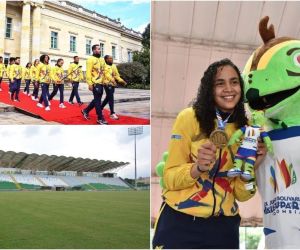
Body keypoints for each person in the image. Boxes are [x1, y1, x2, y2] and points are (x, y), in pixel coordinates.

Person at [152, 59, 267, 249]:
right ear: (209, 89)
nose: (229, 89)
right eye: (220, 83)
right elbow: (169, 176)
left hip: (224, 229)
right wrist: (196, 168)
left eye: (234, 82)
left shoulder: (247, 130)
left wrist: (254, 166)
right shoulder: (189, 118)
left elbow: (241, 195)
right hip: (180, 223)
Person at [81, 44, 107, 125]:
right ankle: (100, 118)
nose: (100, 50)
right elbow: (88, 72)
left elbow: (104, 71)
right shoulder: (90, 60)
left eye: (100, 49)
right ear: (94, 50)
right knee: (98, 102)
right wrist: (90, 83)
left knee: (96, 100)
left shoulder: (102, 60)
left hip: (101, 83)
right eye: (99, 49)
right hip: (95, 83)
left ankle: (85, 110)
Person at [101, 55, 127, 120]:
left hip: (112, 84)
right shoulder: (104, 66)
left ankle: (100, 108)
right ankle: (112, 113)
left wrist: (122, 81)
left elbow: (116, 75)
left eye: (112, 58)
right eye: (109, 58)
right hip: (106, 83)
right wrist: (113, 81)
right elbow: (107, 75)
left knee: (108, 97)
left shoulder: (113, 66)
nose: (111, 59)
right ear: (106, 59)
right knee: (111, 98)